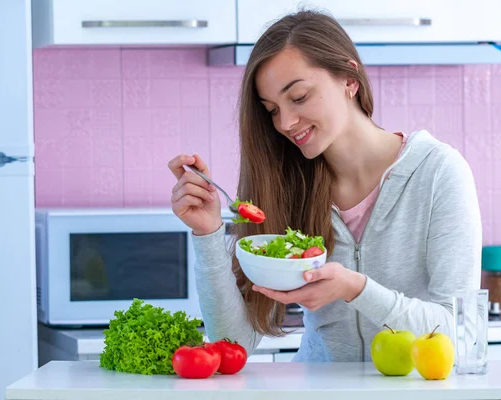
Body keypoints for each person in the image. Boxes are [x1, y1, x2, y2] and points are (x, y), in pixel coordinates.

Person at [167, 10, 482, 362]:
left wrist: (356, 289)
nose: (285, 122)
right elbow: (234, 341)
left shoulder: (439, 173)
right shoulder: (286, 182)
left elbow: (461, 332)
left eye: (299, 97)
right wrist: (208, 235)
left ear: (349, 79)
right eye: (271, 110)